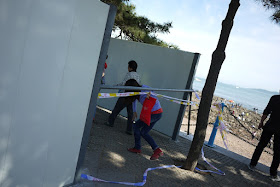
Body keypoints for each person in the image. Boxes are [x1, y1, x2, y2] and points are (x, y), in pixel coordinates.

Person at [124, 79, 164, 160]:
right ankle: (157, 150)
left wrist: (149, 94)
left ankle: (137, 148)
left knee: (136, 126)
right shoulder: (136, 93)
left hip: (154, 113)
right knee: (144, 132)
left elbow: (153, 92)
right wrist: (134, 111)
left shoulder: (144, 89)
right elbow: (134, 99)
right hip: (156, 113)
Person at [248, 94, 280, 181]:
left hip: (270, 125)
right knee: (277, 152)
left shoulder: (274, 98)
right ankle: (273, 173)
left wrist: (261, 122)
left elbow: (266, 111)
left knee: (261, 145)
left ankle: (252, 164)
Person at [105, 60, 141, 135]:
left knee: (117, 109)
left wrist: (116, 86)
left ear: (130, 67)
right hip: (131, 96)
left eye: (128, 66)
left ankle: (110, 122)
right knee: (130, 113)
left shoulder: (129, 74)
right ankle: (129, 129)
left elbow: (124, 83)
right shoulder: (137, 75)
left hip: (124, 95)